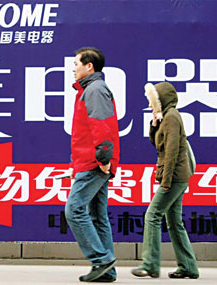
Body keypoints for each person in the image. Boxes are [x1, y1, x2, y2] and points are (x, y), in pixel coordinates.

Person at [131, 82, 199, 279]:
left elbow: (171, 153)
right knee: (174, 222)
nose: (150, 105)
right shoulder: (167, 118)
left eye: (153, 102)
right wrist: (154, 124)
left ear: (161, 101)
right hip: (177, 176)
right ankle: (188, 267)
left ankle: (150, 264)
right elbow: (157, 143)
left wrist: (166, 181)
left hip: (174, 177)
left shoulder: (172, 118)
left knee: (152, 215)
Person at [65, 47, 120, 282]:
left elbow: (103, 126)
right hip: (91, 161)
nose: (73, 67)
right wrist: (75, 165)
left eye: (77, 63)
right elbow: (85, 132)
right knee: (97, 216)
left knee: (74, 210)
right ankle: (108, 270)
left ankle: (102, 260)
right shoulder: (89, 90)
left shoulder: (95, 89)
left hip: (95, 162)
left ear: (89, 66)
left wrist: (104, 160)